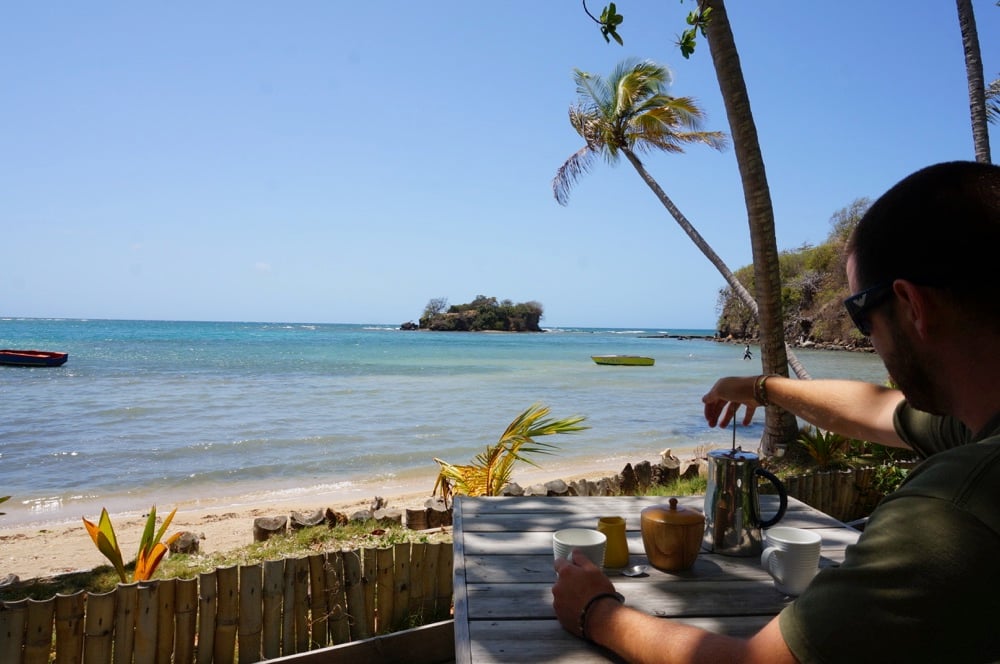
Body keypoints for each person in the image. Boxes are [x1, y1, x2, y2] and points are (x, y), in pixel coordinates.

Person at [552, 161, 1000, 663]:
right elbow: (876, 411)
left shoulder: (960, 503)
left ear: (912, 305)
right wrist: (761, 387)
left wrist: (597, 611)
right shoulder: (979, 428)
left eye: (860, 312)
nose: (863, 337)